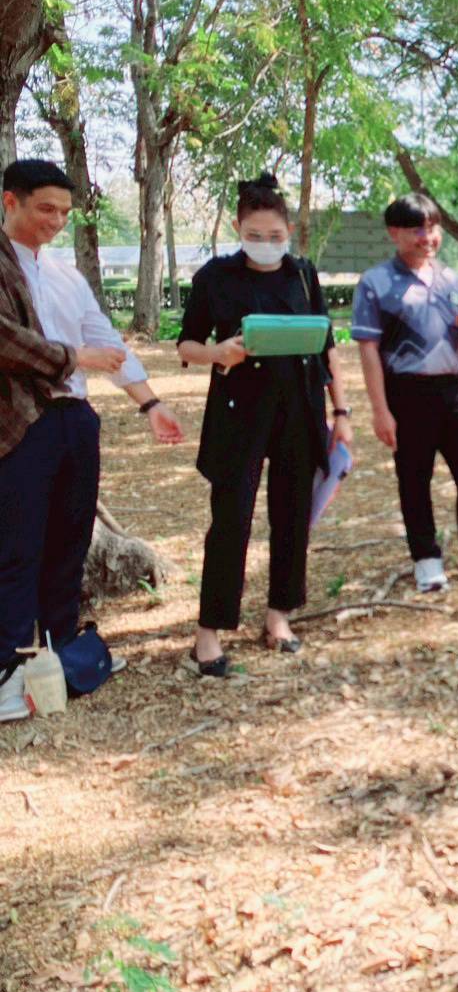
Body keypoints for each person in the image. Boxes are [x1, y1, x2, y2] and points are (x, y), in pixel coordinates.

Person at [0, 159, 184, 720]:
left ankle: (64, 654)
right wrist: (74, 357)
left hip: (75, 420)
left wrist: (149, 403)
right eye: (45, 209)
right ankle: (9, 671)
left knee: (69, 542)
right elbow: (6, 339)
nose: (56, 221)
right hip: (18, 425)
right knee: (16, 549)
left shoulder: (64, 275)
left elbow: (105, 340)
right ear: (10, 202)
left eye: (64, 212)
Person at [178, 173, 352, 674]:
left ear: (289, 232)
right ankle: (209, 632)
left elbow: (327, 346)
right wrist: (219, 352)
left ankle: (279, 615)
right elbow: (187, 344)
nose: (266, 243)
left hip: (300, 409)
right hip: (239, 412)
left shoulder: (303, 275)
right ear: (238, 229)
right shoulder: (216, 276)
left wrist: (341, 412)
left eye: (275, 236)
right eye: (255, 235)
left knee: (293, 515)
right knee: (231, 518)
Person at [353, 193, 458, 593]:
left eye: (433, 227)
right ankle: (426, 559)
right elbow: (368, 350)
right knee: (414, 477)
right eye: (416, 229)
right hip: (406, 392)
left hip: (454, 390)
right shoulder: (375, 283)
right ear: (394, 233)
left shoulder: (451, 280)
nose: (428, 237)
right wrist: (380, 410)